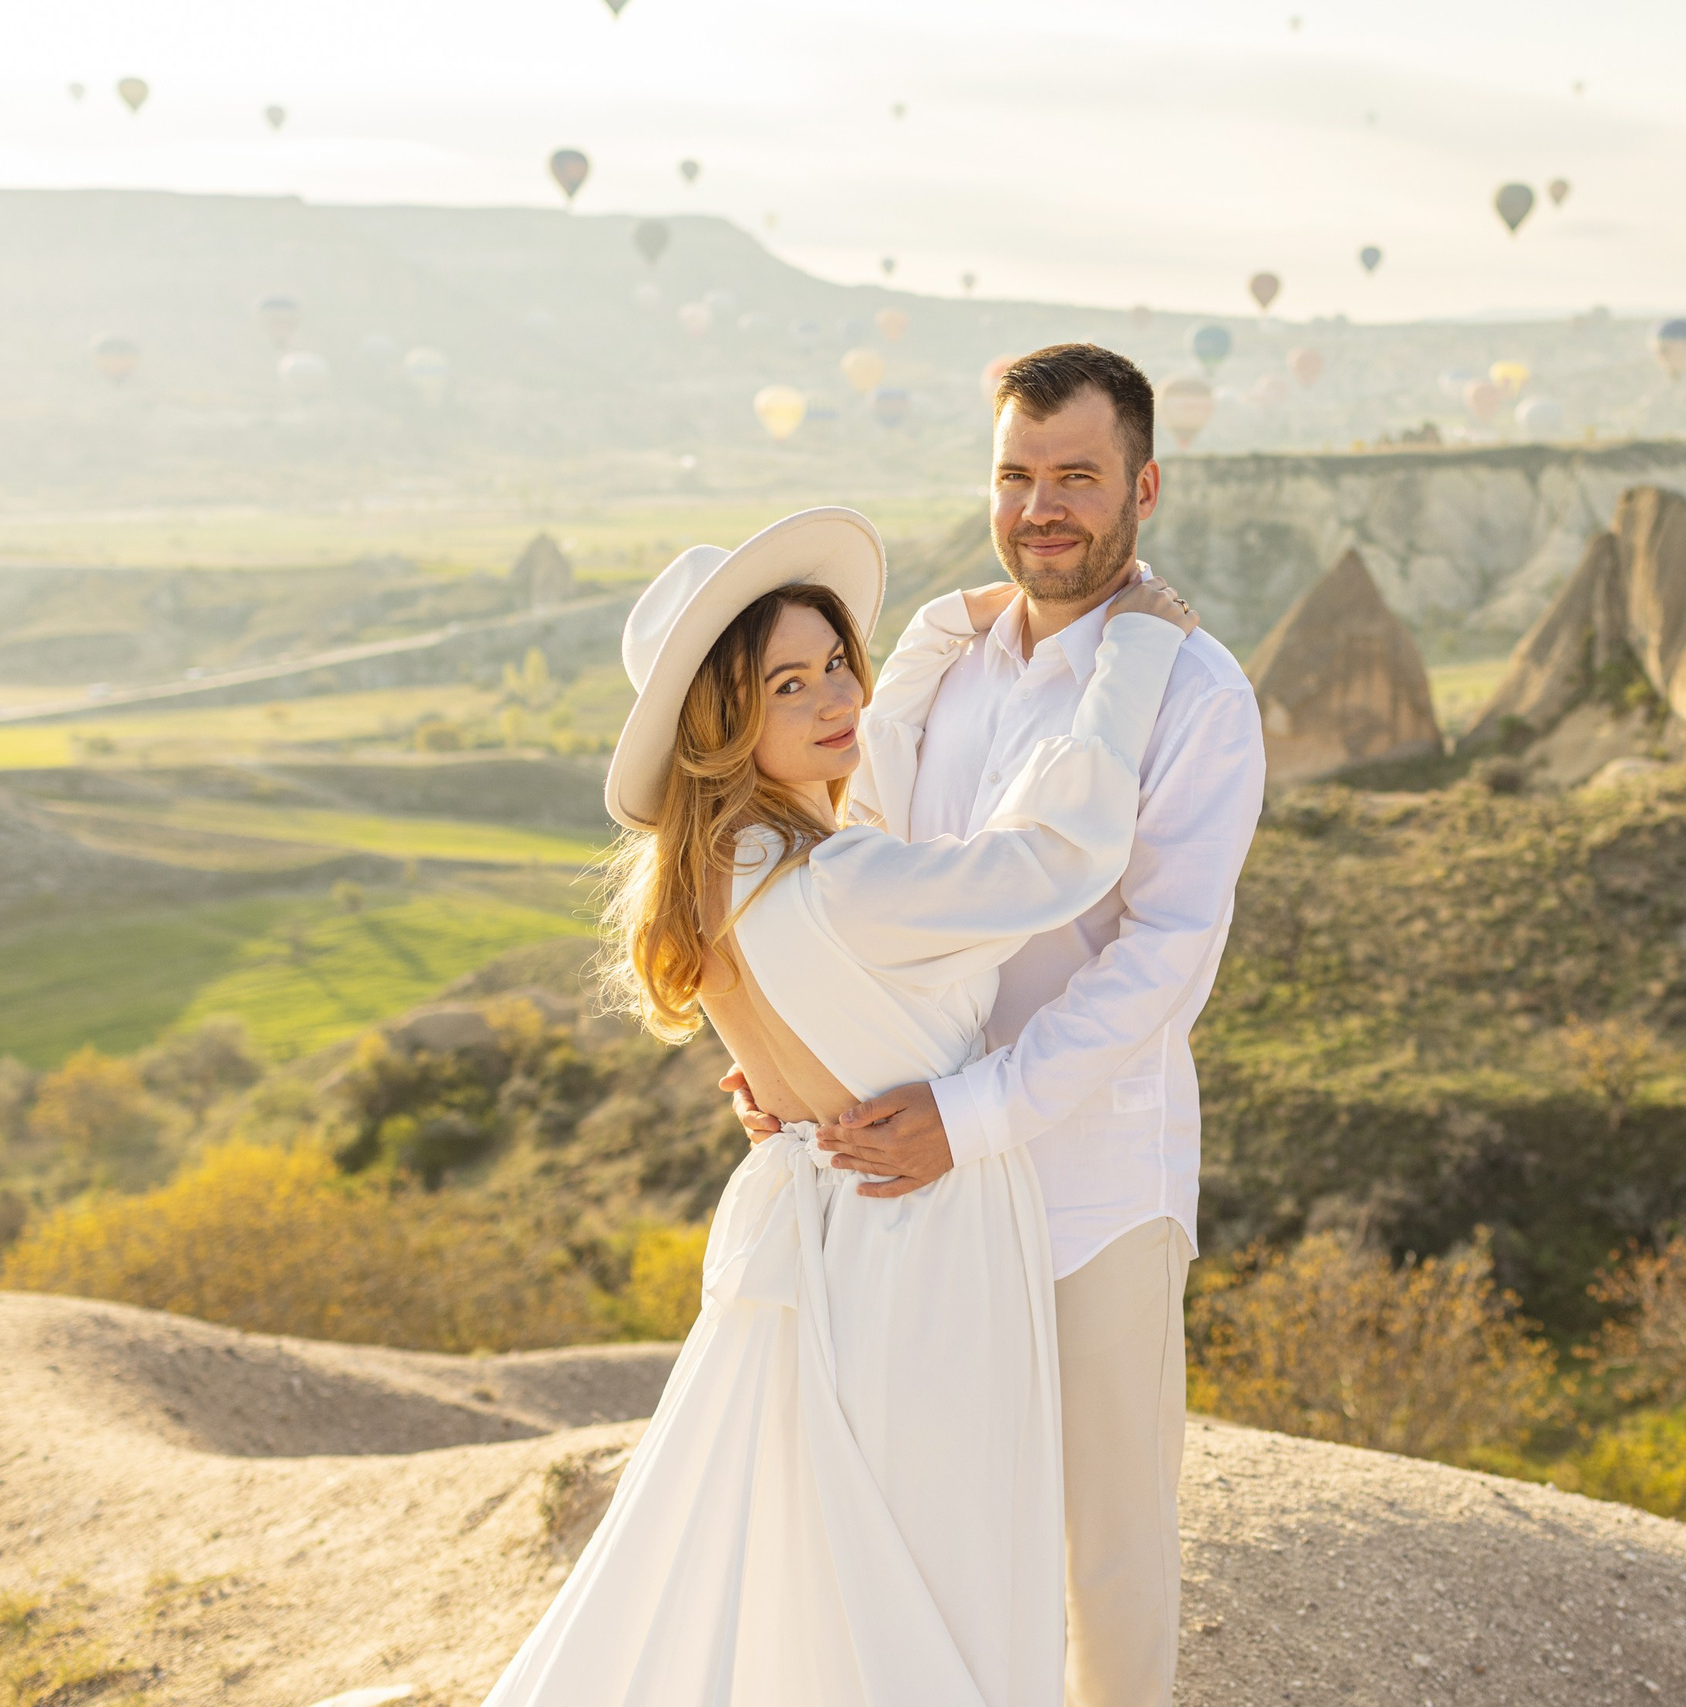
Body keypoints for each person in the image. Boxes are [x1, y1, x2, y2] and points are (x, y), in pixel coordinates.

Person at [478, 502, 1202, 1707]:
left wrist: (922, 640)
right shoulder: (846, 882)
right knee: (943, 1571)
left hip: (809, 1218)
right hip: (929, 1242)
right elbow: (1061, 858)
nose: (832, 702)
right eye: (786, 689)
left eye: (835, 668)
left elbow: (865, 799)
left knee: (826, 1559)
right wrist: (1135, 652)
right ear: (721, 726)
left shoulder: (724, 878)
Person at [732, 344, 1268, 1706]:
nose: (1044, 507)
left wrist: (972, 1118)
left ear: (1143, 487)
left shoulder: (1198, 697)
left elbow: (1162, 961)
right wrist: (789, 1063)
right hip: (904, 1173)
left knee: (1107, 1533)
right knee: (924, 1503)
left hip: (1084, 1177)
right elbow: (848, 885)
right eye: (1017, 476)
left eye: (1078, 477)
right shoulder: (936, 671)